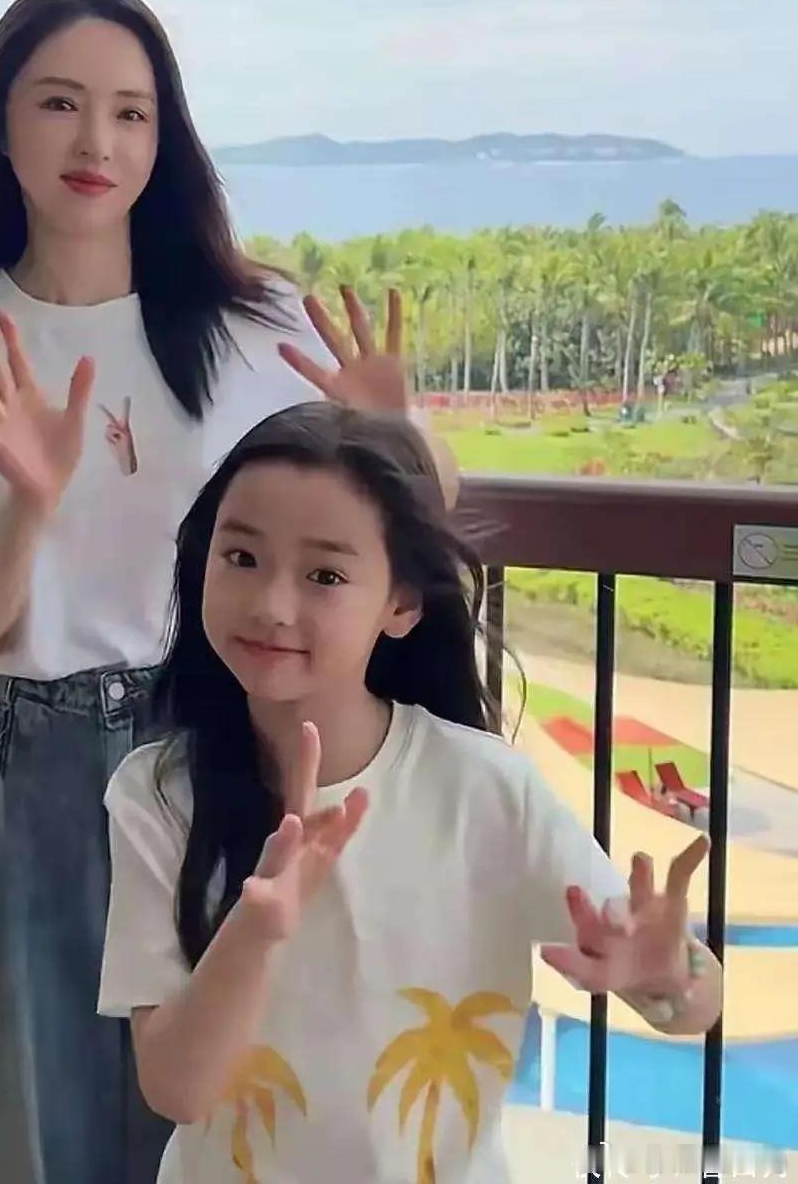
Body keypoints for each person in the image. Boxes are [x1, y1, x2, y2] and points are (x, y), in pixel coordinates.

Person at [0, 0, 448, 1184]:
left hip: (219, 744)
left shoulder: (250, 325)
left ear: (164, 138)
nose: (97, 141)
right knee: (35, 1126)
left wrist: (401, 430)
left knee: (236, 1117)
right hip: (34, 764)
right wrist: (30, 504)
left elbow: (407, 533)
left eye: (131, 112)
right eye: (59, 104)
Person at [99, 402, 723, 1184]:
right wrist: (255, 930)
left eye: (325, 575)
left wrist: (665, 975)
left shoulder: (486, 793)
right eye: (241, 557)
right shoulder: (155, 796)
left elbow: (698, 1004)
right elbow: (176, 1090)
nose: (271, 604)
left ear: (400, 604)